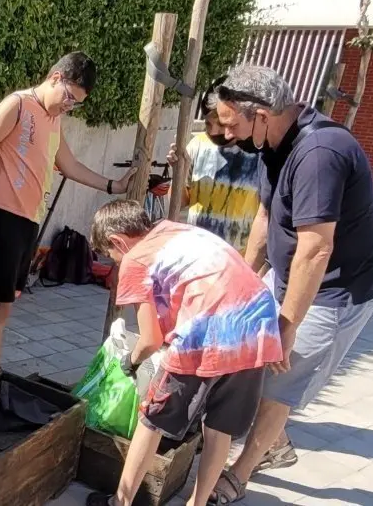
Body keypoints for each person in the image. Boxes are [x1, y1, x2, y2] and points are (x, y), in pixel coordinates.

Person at [209, 65, 373, 503]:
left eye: (232, 125)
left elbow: (315, 250)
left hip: (335, 291)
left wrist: (286, 327)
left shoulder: (320, 152)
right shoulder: (274, 146)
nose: (228, 136)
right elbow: (266, 217)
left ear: (261, 114)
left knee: (282, 374)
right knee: (249, 352)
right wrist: (243, 284)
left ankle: (242, 471)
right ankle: (278, 441)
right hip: (290, 276)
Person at [85, 199, 281, 506]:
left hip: (209, 327)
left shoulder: (135, 259)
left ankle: (119, 502)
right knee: (219, 427)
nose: (115, 263)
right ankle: (198, 503)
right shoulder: (174, 230)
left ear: (117, 241)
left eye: (111, 257)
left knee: (152, 419)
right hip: (256, 324)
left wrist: (131, 362)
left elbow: (150, 339)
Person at [0, 51, 136, 379]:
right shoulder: (17, 105)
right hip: (2, 215)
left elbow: (68, 165)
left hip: (29, 220)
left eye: (76, 104)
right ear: (56, 78)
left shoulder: (54, 120)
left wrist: (114, 185)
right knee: (1, 305)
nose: (69, 106)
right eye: (69, 97)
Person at [166, 76, 261, 253]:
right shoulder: (197, 146)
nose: (214, 131)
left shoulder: (259, 154)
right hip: (197, 256)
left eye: (221, 123)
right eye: (209, 123)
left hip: (238, 263)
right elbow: (176, 205)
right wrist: (179, 172)